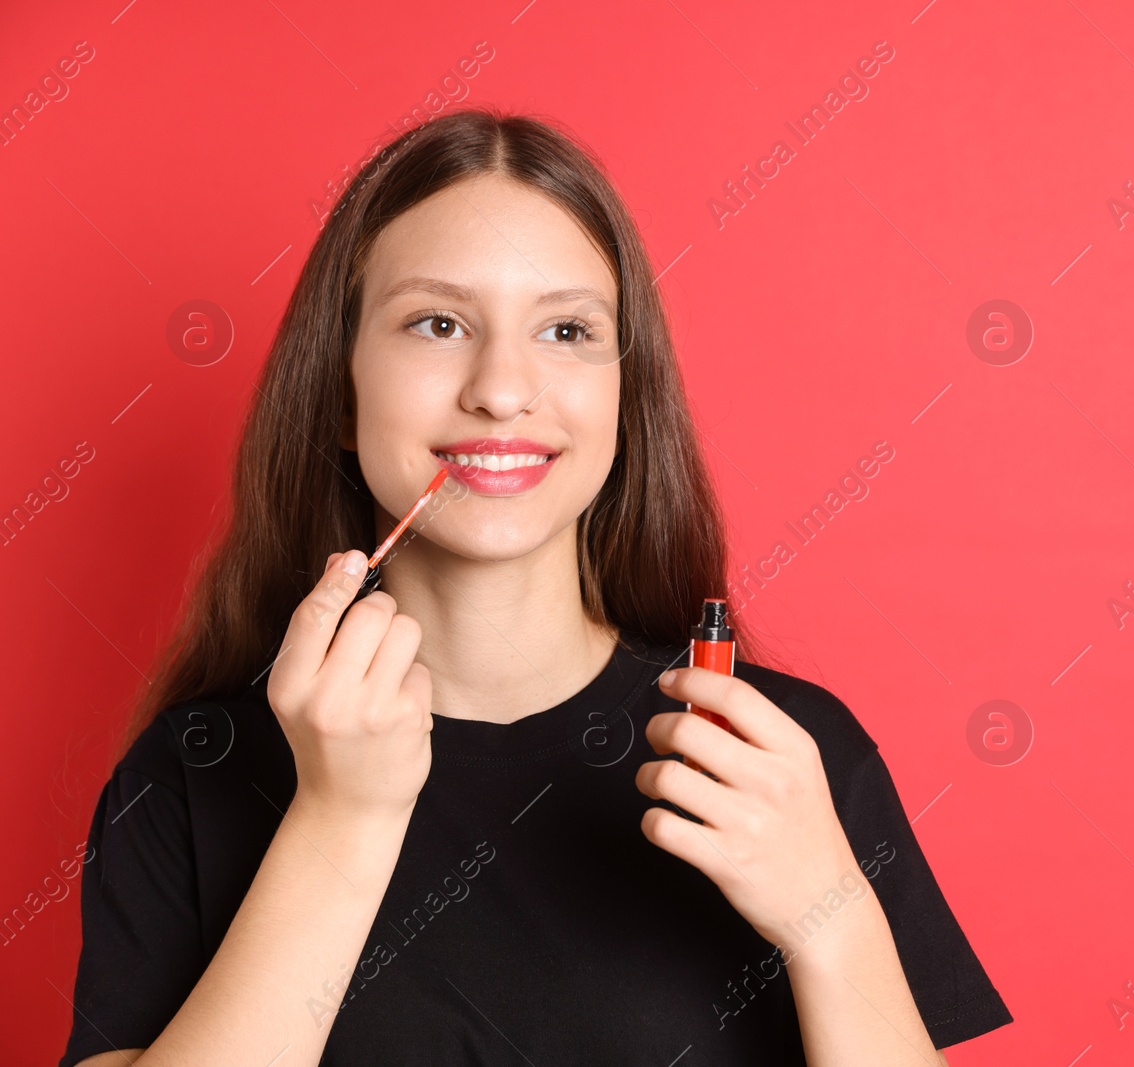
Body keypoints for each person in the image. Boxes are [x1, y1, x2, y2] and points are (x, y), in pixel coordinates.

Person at [60, 107, 1011, 1066]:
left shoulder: (780, 757)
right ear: (341, 396)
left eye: (565, 329)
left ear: (624, 402)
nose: (503, 388)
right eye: (438, 323)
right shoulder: (197, 768)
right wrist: (340, 822)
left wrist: (834, 917)